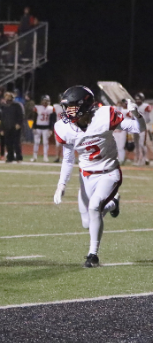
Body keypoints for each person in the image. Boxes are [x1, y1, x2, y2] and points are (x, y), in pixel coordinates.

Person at [53, 86, 144, 267]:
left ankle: (92, 255)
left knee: (94, 207)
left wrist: (137, 115)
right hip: (86, 175)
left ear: (84, 105)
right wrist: (61, 185)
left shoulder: (105, 115)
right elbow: (68, 159)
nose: (67, 111)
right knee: (87, 223)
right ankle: (112, 203)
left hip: (109, 172)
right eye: (66, 107)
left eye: (71, 107)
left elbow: (137, 128)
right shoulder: (64, 128)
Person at [0, 91, 24, 163]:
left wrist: (19, 124)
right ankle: (10, 157)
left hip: (15, 127)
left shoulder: (17, 105)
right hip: (6, 127)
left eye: (9, 96)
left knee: (16, 143)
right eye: (6, 96)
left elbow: (21, 115)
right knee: (8, 143)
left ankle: (18, 157)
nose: (7, 98)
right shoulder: (4, 106)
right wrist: (1, 128)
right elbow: (2, 118)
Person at [31, 95, 55, 162]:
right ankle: (34, 156)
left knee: (45, 142)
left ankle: (45, 156)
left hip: (46, 128)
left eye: (47, 100)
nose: (45, 102)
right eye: (44, 100)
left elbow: (52, 120)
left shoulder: (51, 108)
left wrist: (51, 129)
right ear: (41, 101)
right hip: (38, 127)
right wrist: (34, 127)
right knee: (36, 142)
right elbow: (35, 118)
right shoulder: (37, 107)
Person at [133, 93, 151, 166]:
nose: (137, 101)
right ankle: (138, 158)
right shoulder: (134, 107)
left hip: (143, 126)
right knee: (136, 144)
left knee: (142, 143)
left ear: (142, 99)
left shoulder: (146, 106)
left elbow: (149, 117)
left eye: (139, 99)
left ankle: (144, 158)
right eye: (136, 99)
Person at [112, 100, 130, 164]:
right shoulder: (113, 110)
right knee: (115, 146)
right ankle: (116, 159)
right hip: (115, 131)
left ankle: (121, 159)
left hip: (122, 131)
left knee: (121, 146)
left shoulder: (125, 111)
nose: (119, 105)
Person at [52, 94, 64, 162]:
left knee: (66, 143)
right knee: (58, 143)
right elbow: (53, 117)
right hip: (58, 127)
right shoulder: (56, 106)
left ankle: (64, 157)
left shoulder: (68, 107)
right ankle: (57, 157)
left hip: (66, 127)